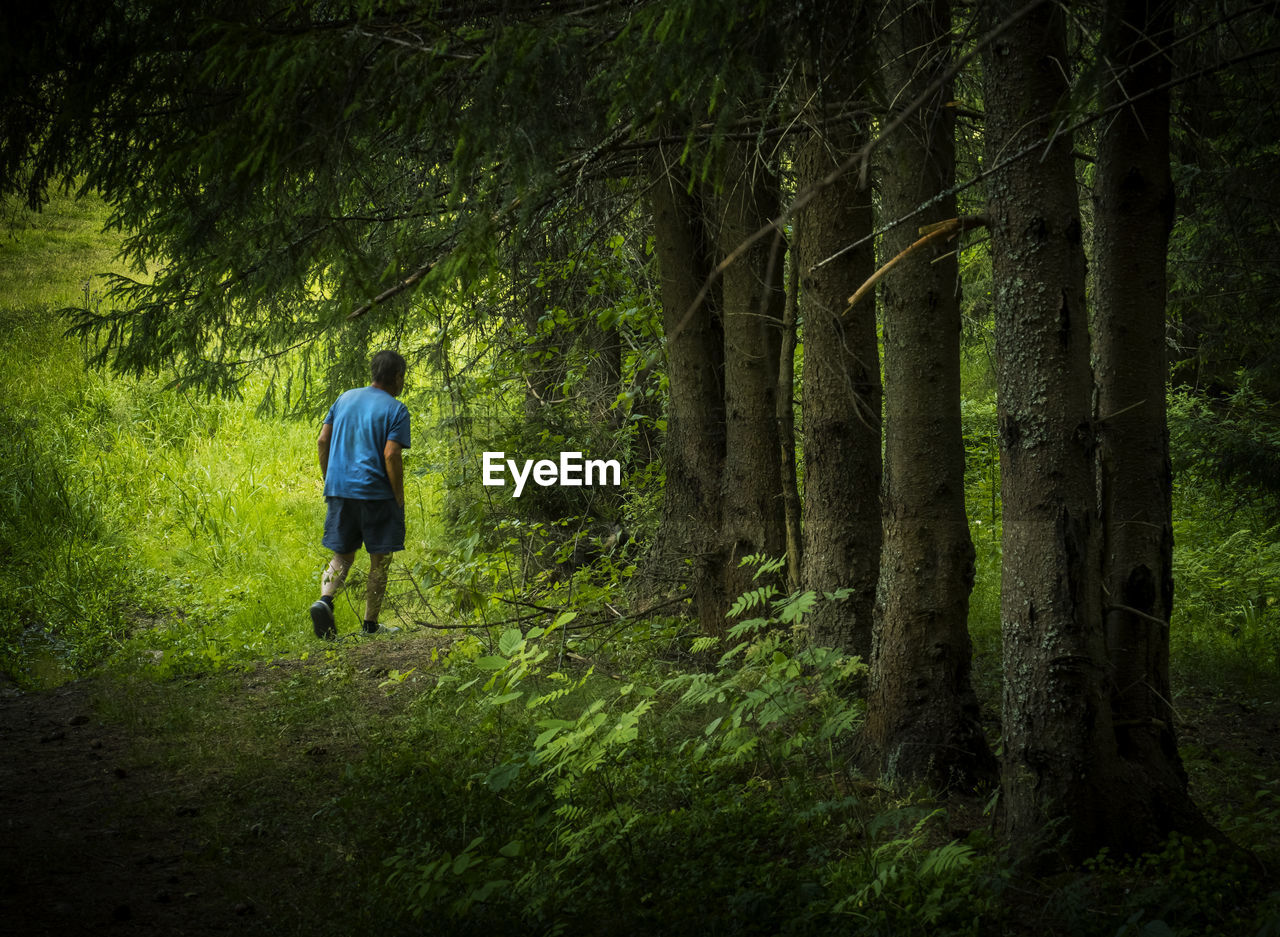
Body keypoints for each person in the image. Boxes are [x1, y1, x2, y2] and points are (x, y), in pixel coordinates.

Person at [309, 350, 410, 639]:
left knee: (341, 554)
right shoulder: (396, 409)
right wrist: (398, 496)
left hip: (340, 489)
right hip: (376, 493)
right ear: (398, 377)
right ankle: (370, 626)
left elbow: (322, 440)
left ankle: (324, 600)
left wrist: (331, 479)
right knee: (380, 559)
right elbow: (391, 455)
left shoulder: (344, 398)